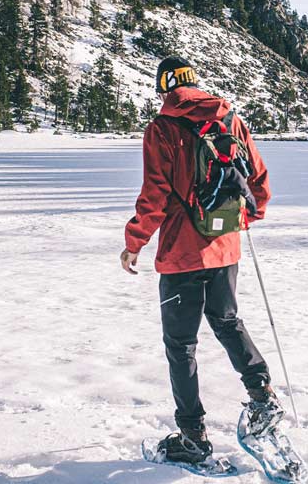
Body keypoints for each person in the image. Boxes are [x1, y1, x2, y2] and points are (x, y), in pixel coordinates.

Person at [120, 56, 283, 464]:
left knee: (181, 345)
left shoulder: (162, 128)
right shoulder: (229, 119)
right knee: (227, 321)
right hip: (225, 247)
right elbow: (259, 185)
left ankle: (193, 436)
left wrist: (135, 241)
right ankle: (262, 395)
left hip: (182, 252)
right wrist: (240, 220)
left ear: (163, 88)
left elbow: (155, 195)